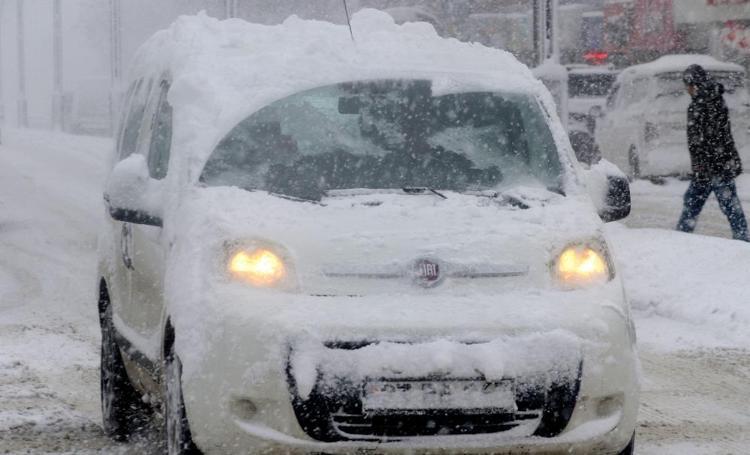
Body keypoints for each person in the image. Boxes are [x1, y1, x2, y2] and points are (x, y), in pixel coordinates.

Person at [676, 64, 749, 241]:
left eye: (689, 85)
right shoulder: (712, 100)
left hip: (712, 166)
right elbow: (722, 135)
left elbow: (712, 137)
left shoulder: (704, 104)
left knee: (703, 204)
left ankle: (680, 238)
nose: (687, 89)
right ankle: (743, 238)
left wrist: (706, 164)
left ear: (695, 84)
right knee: (725, 205)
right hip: (714, 165)